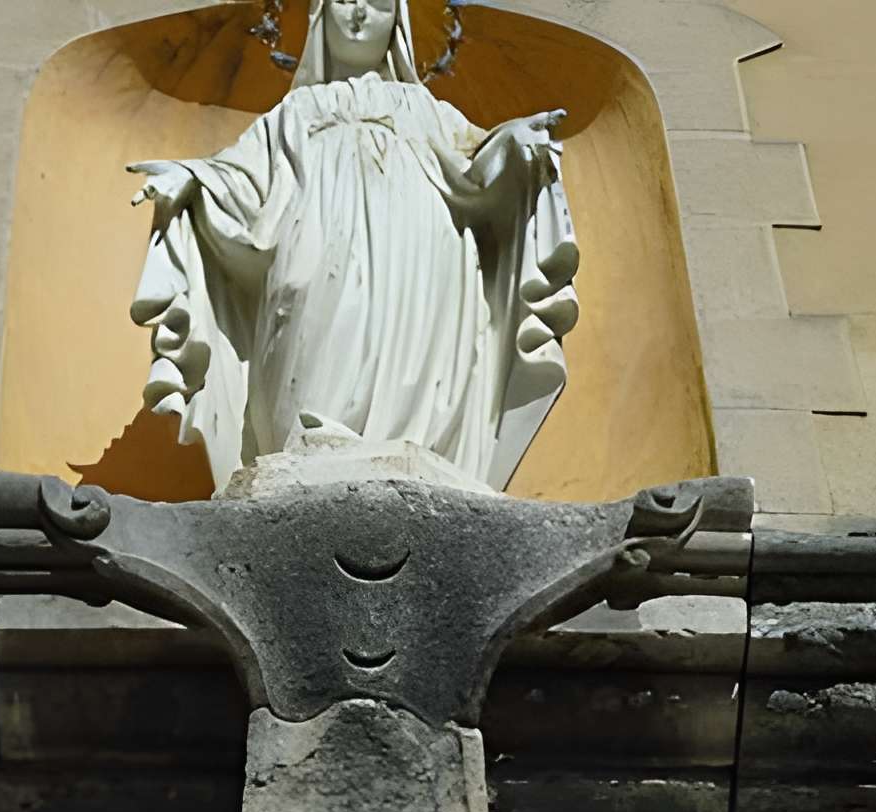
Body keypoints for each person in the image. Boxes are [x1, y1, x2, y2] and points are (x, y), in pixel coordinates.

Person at [129, 0, 578, 489]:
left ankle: (414, 450)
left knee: (410, 348)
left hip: (417, 256)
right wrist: (188, 179)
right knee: (315, 336)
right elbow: (239, 182)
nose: (361, 13)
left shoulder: (421, 108)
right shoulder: (295, 112)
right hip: (315, 252)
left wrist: (515, 142)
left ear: (398, 23)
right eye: (345, 0)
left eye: (380, 3)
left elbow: (474, 168)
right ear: (321, 17)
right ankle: (306, 453)